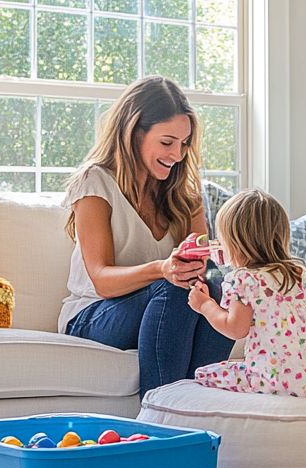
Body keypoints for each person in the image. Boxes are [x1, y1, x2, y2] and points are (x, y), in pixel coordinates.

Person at [59, 76, 233, 395]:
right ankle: (161, 415)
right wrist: (162, 268)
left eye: (184, 144)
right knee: (175, 288)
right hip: (93, 314)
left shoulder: (184, 193)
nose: (178, 155)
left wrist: (231, 277)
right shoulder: (95, 183)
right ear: (133, 133)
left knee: (217, 290)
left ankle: (201, 407)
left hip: (162, 304)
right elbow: (101, 278)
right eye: (167, 142)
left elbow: (203, 270)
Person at [187, 188, 306, 397]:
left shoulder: (243, 280)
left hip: (273, 376)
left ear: (235, 243)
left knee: (204, 374)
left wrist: (205, 305)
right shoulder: (297, 274)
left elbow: (236, 329)